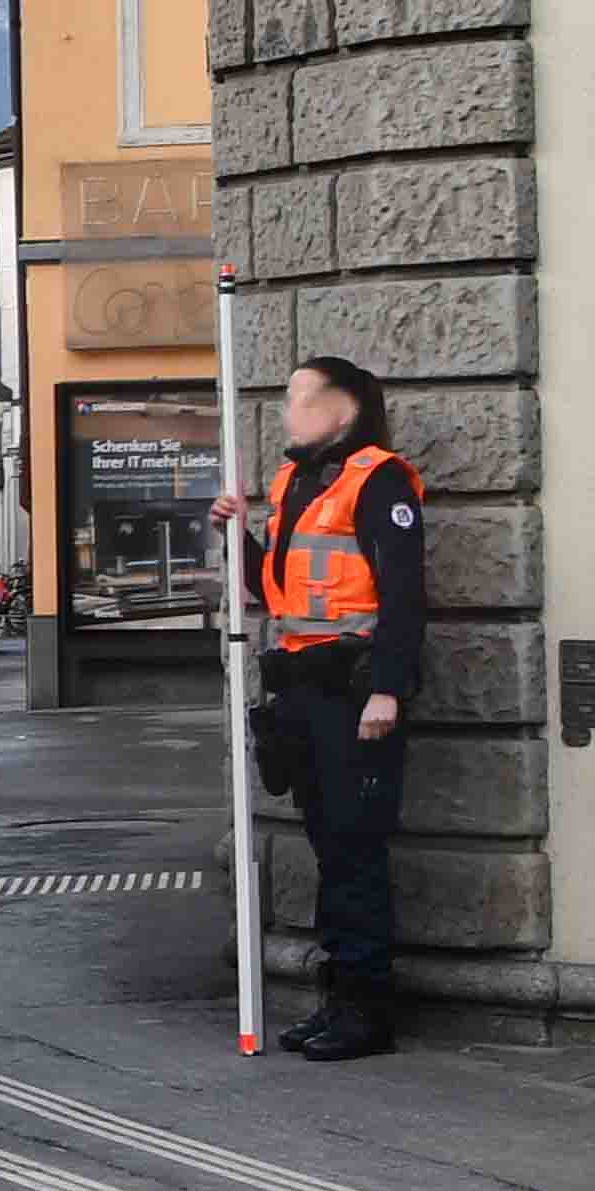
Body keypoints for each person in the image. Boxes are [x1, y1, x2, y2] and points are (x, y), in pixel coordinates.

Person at [215, 357, 426, 1060]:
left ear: (344, 408)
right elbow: (275, 587)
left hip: (353, 693)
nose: (287, 411)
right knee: (330, 848)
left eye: (300, 398)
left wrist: (387, 689)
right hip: (302, 689)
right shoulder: (297, 482)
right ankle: (339, 999)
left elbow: (405, 595)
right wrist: (236, 535)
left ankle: (367, 1010)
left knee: (355, 850)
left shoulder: (379, 480)